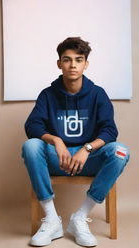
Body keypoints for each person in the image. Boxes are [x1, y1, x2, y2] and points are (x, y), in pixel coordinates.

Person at [21, 37, 130, 247]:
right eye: (67, 59)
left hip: (87, 159)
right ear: (59, 63)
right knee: (31, 146)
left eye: (78, 60)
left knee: (120, 152)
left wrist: (87, 148)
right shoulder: (47, 94)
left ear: (85, 64)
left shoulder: (98, 94)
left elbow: (110, 130)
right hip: (58, 158)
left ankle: (80, 218)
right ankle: (52, 219)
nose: (73, 65)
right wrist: (56, 140)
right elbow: (32, 126)